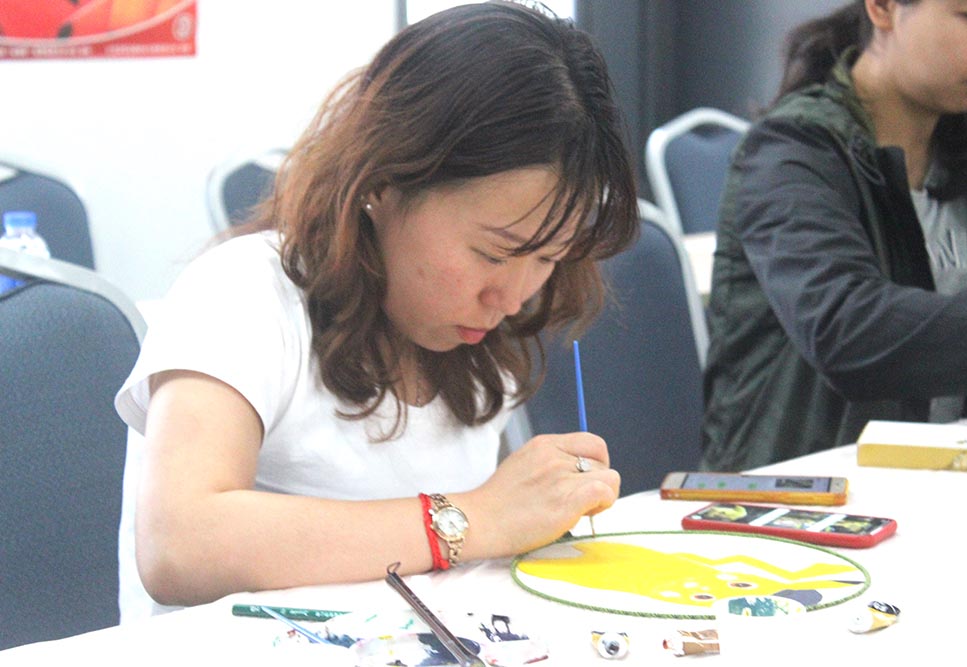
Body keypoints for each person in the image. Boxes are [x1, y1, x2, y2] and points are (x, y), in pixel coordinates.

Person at [114, 0, 637, 615]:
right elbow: (179, 545)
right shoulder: (244, 291)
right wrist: (475, 518)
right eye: (493, 253)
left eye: (549, 257)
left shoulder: (472, 332)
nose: (513, 297)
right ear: (382, 183)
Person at [702, 0, 967, 472]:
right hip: (804, 490)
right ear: (882, 8)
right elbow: (848, 331)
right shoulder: (793, 150)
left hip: (945, 479)